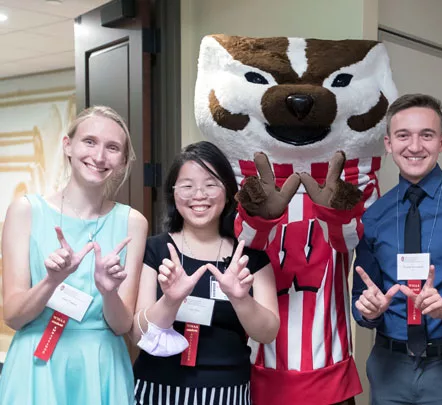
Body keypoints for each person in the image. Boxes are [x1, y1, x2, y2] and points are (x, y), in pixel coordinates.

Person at [352, 93, 442, 404]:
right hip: (389, 369)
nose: (414, 147)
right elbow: (359, 302)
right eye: (403, 136)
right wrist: (368, 312)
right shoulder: (374, 216)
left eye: (426, 135)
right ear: (388, 144)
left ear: (441, 142)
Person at [0, 106, 147, 405]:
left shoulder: (132, 222)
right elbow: (13, 316)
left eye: (113, 148)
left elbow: (122, 326)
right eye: (89, 141)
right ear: (68, 146)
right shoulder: (25, 211)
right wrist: (51, 282)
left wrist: (108, 292)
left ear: (122, 160)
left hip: (101, 364)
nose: (99, 156)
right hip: (36, 363)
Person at [132, 141, 279, 405]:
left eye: (211, 184)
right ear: (173, 193)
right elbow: (138, 334)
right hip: (157, 389)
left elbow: (268, 333)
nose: (199, 195)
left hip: (227, 391)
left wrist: (241, 299)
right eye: (187, 186)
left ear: (228, 191)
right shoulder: (154, 250)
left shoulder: (250, 257)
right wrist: (170, 300)